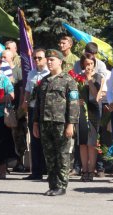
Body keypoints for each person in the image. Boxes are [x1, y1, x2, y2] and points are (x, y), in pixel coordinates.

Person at [33, 49, 79, 196]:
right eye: (48, 59)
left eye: (52, 59)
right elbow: (38, 103)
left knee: (62, 154)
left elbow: (73, 104)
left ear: (60, 61)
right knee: (49, 155)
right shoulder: (44, 81)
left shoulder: (68, 80)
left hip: (61, 123)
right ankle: (52, 185)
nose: (49, 62)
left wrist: (71, 124)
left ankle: (61, 185)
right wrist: (35, 123)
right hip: (45, 122)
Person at [22, 49, 49, 180]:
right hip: (33, 108)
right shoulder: (32, 73)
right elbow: (27, 89)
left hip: (46, 110)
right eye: (35, 58)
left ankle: (48, 170)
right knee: (34, 139)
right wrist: (25, 102)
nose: (37, 60)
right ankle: (36, 171)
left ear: (45, 58)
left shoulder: (49, 73)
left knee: (47, 140)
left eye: (39, 58)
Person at [2, 50, 27, 172]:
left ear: (11, 58)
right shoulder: (0, 71)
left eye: (5, 57)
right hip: (3, 108)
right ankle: (4, 163)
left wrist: (21, 107)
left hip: (16, 107)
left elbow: (22, 90)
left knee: (19, 135)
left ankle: (20, 161)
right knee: (5, 136)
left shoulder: (18, 71)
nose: (3, 59)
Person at [77, 53, 101, 182]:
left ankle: (91, 170)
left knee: (91, 143)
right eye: (86, 64)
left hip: (93, 110)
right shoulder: (78, 77)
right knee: (82, 143)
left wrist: (89, 79)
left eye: (91, 64)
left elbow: (95, 94)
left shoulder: (97, 77)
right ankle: (84, 169)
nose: (89, 66)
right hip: (81, 110)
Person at [0, 55, 15, 179]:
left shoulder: (3, 79)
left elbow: (12, 95)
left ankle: (2, 170)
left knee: (1, 143)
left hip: (1, 116)